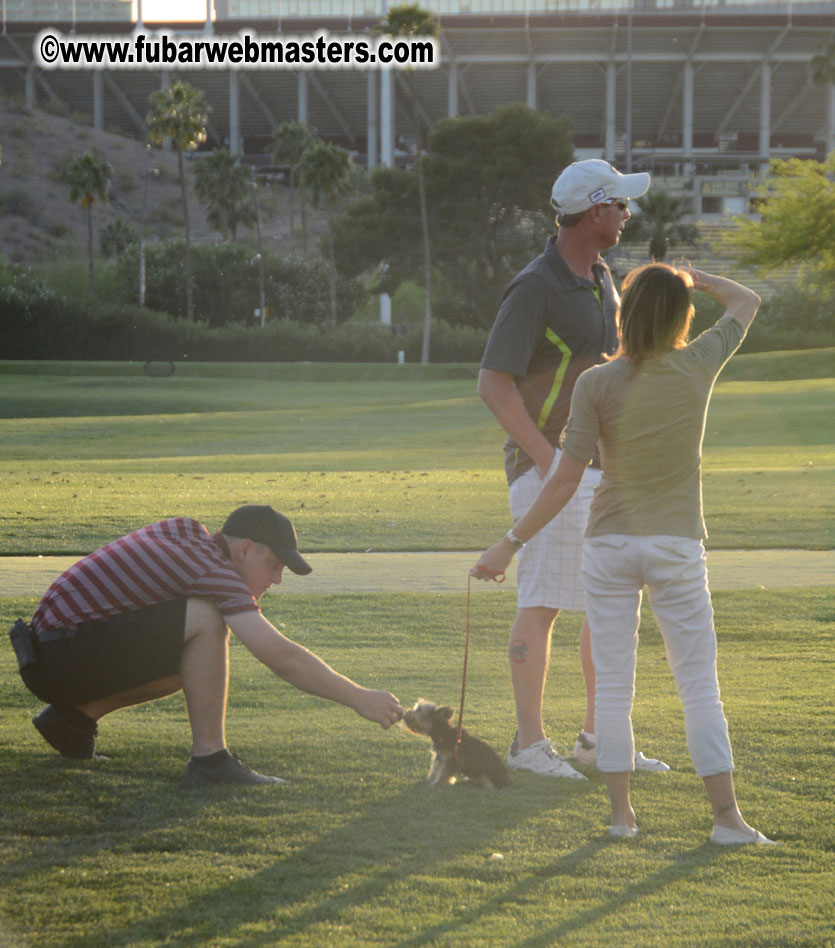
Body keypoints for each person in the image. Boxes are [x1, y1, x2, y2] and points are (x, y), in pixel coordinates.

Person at [472, 264, 775, 846]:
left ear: (622, 315)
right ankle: (726, 821)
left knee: (612, 684)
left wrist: (508, 544)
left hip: (608, 543)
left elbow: (562, 480)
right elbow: (747, 299)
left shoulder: (594, 382)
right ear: (682, 318)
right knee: (699, 686)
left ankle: (621, 820)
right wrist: (696, 279)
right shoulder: (698, 362)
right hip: (675, 543)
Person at [478, 157, 669, 781]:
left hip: (597, 470)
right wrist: (547, 457)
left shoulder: (601, 275)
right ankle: (528, 745)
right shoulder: (536, 286)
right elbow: (492, 383)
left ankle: (597, 739)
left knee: (605, 603)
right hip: (551, 471)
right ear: (594, 211)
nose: (627, 214)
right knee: (543, 602)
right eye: (619, 205)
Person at [9, 506, 404, 785]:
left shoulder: (189, 538)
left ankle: (71, 721)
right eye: (274, 565)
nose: (277, 579)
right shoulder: (213, 568)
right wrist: (358, 697)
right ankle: (211, 761)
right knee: (207, 618)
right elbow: (280, 657)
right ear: (245, 549)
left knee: (195, 658)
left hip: (50, 652)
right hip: (60, 653)